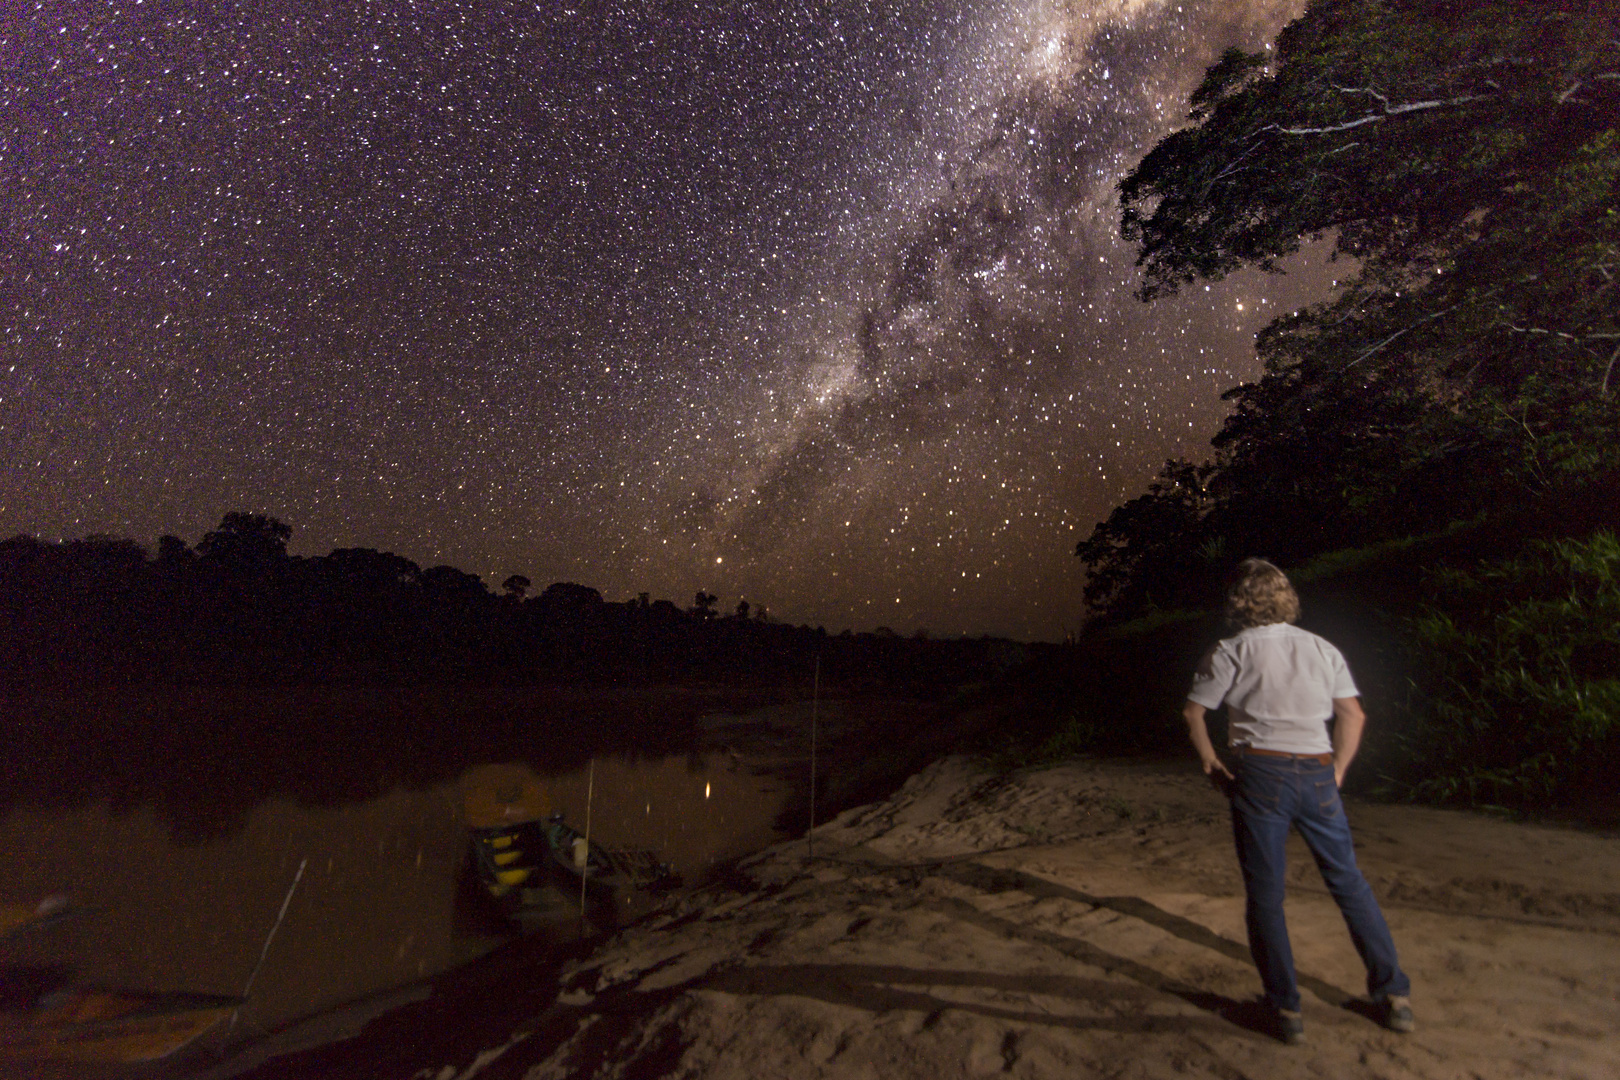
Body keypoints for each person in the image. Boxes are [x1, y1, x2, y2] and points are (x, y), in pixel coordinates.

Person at [1182, 558, 1413, 1045]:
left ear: (1238, 601)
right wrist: (1339, 771)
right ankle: (1393, 997)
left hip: (1260, 772)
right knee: (1348, 882)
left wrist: (1210, 763)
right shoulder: (1321, 648)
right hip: (1316, 771)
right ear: (1285, 596)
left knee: (1266, 895)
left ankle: (1285, 1010)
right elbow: (1352, 714)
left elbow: (1194, 713)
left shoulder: (1229, 651)